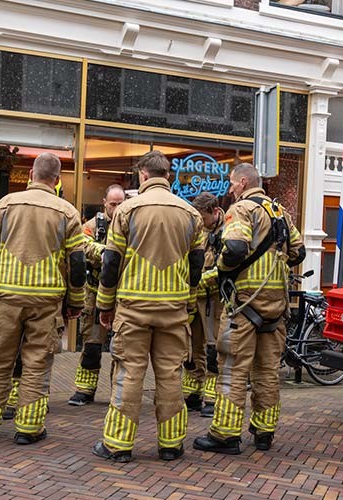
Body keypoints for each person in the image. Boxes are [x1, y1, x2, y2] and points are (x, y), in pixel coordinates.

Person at [91, 151, 205, 463]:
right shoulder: (190, 214)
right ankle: (171, 445)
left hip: (133, 309)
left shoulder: (126, 210)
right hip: (174, 309)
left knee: (128, 375)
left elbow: (110, 262)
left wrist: (104, 304)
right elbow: (196, 266)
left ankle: (117, 445)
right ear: (167, 175)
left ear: (143, 175)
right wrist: (190, 302)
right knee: (170, 376)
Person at [0, 153, 85, 444]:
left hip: (8, 297)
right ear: (57, 180)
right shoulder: (68, 212)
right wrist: (75, 302)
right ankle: (28, 428)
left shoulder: (6, 204)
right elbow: (78, 264)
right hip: (46, 301)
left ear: (31, 174)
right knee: (36, 364)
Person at [193, 163, 305, 454]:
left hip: (244, 304)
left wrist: (222, 269)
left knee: (232, 369)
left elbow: (235, 249)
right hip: (276, 307)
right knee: (267, 371)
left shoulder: (242, 210)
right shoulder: (280, 212)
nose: (230, 190)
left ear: (243, 182)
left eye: (232, 184)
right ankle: (264, 433)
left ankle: (225, 436)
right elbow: (298, 252)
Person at [68, 184, 126, 406]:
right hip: (95, 292)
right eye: (113, 204)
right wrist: (103, 253)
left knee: (121, 347)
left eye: (121, 204)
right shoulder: (93, 226)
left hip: (122, 295)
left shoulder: (132, 224)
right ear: (105, 202)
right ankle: (85, 390)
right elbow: (82, 243)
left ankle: (118, 392)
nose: (117, 208)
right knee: (92, 344)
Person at [182, 192, 225, 417]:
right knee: (191, 347)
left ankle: (212, 396)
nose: (200, 222)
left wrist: (201, 281)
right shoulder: (197, 229)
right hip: (194, 297)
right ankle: (193, 393)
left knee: (212, 348)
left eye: (203, 217)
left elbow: (225, 267)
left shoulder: (227, 232)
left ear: (215, 212)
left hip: (213, 299)